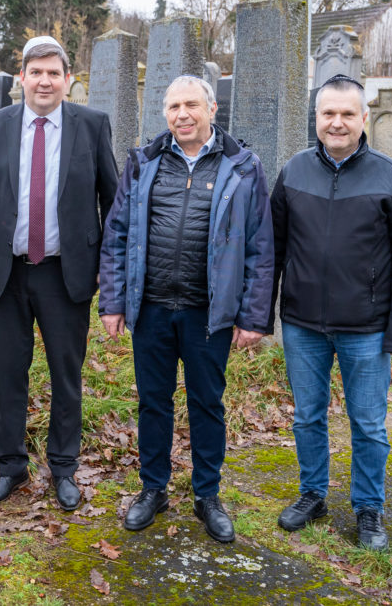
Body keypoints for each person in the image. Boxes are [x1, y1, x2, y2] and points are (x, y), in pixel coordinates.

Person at [99, 75, 273, 540]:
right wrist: (113, 301)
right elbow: (117, 235)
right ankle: (153, 489)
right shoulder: (143, 162)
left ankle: (207, 494)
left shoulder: (242, 166)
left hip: (207, 313)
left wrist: (254, 316)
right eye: (173, 105)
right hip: (152, 307)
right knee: (153, 402)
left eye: (191, 104)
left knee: (207, 403)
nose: (182, 114)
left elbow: (259, 245)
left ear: (212, 109)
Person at [0, 36, 118, 511]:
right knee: (10, 373)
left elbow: (114, 203)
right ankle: (11, 466)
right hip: (6, 274)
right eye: (36, 72)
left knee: (66, 375)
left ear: (69, 80)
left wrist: (104, 271)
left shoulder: (91, 125)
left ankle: (64, 467)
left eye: (54, 72)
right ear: (22, 78)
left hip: (67, 275)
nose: (45, 80)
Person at [270, 74, 392, 551]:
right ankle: (313, 494)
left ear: (363, 119)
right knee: (307, 417)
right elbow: (272, 248)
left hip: (366, 327)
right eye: (328, 113)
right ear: (316, 118)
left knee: (368, 422)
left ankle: (368, 508)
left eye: (347, 114)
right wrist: (260, 314)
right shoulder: (293, 171)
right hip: (302, 324)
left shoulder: (389, 175)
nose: (337, 123)